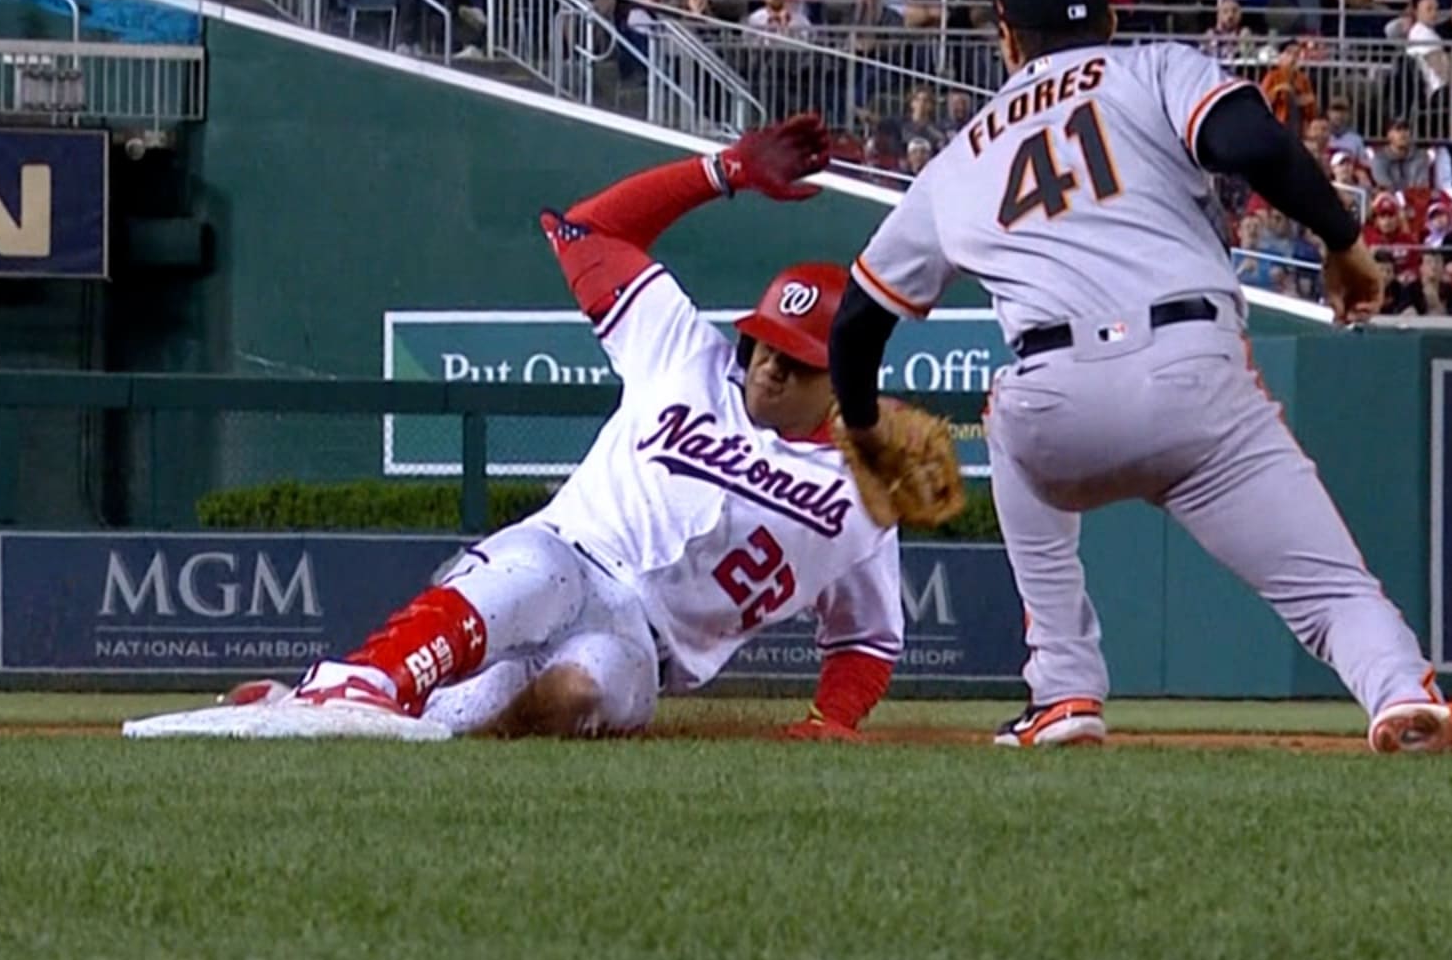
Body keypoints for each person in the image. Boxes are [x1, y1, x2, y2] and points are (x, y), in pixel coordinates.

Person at [822, 0, 1452, 758]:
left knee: (1007, 412)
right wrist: (1342, 241)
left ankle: (1062, 690)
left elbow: (857, 320)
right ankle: (1399, 697)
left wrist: (863, 426)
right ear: (1110, 18)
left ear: (1005, 35)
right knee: (1329, 590)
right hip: (1191, 374)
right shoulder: (1153, 68)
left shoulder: (957, 160)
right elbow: (1253, 145)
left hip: (1054, 402)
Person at [126, 119, 914, 744]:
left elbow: (868, 640)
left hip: (645, 644)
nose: (770, 367)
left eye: (797, 361)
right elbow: (588, 231)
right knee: (533, 572)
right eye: (764, 344)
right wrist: (723, 172)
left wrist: (831, 721)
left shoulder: (862, 494)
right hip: (567, 553)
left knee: (576, 694)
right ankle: (359, 684)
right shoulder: (685, 355)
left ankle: (340, 713)